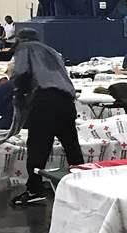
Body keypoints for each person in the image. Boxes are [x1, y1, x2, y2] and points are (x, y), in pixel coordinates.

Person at [6, 29, 84, 206]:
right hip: (66, 102)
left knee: (37, 147)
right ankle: (82, 185)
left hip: (45, 102)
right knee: (72, 147)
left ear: (20, 39)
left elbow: (21, 73)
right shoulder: (52, 51)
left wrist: (19, 92)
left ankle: (34, 189)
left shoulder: (25, 48)